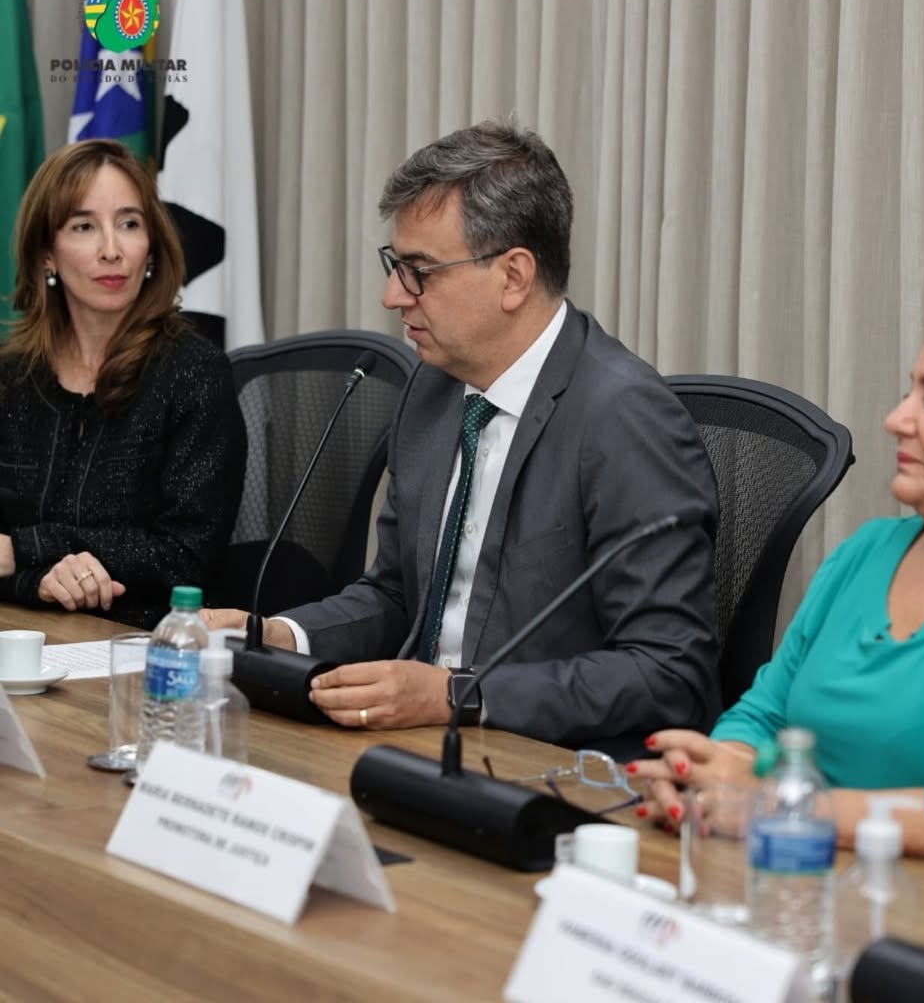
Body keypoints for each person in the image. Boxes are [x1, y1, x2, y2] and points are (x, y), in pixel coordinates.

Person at [204, 120, 720, 746]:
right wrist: (278, 635)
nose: (393, 295)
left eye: (419, 270)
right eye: (396, 265)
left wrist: (457, 695)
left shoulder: (624, 417)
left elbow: (667, 672)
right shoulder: (433, 388)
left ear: (514, 276)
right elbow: (397, 594)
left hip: (545, 763)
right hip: (420, 745)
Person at [631, 287, 924, 884]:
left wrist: (776, 809)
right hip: (806, 888)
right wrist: (709, 774)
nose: (896, 420)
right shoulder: (869, 551)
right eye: (908, 394)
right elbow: (763, 715)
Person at [0, 139, 246, 630]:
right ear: (46, 254)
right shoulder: (12, 378)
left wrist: (29, 550)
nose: (111, 250)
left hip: (147, 644)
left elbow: (187, 555)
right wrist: (37, 581)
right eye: (84, 226)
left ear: (151, 245)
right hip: (21, 632)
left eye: (129, 224)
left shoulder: (195, 373)